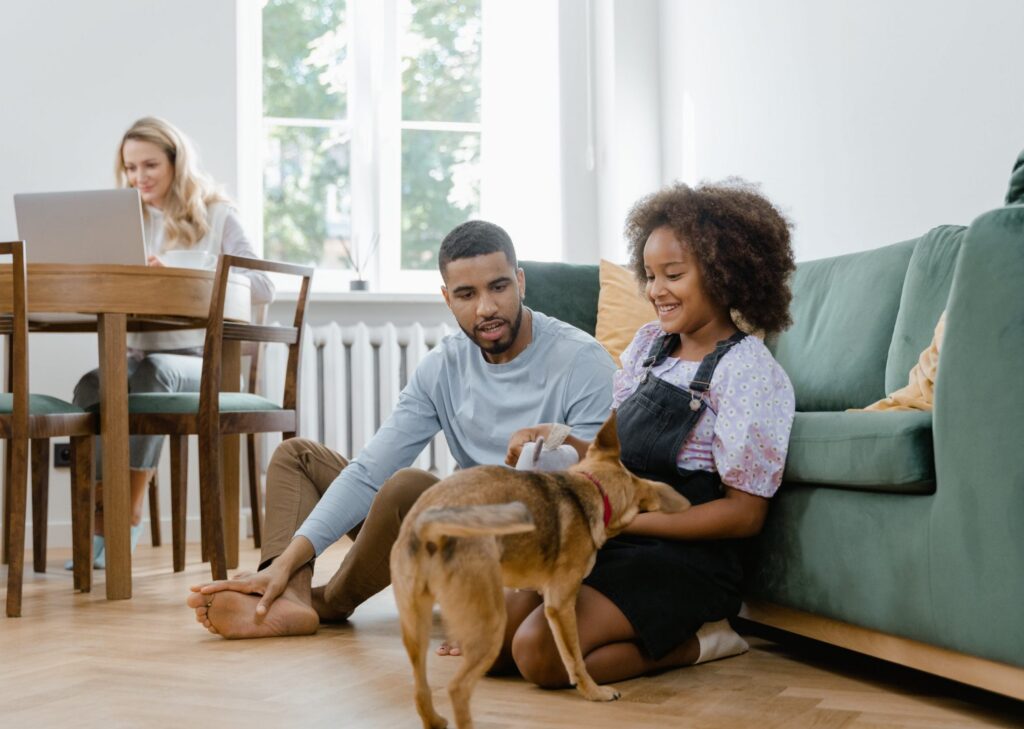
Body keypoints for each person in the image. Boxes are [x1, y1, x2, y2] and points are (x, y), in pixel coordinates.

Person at [187, 220, 617, 638]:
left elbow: (592, 493)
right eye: (467, 294)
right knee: (297, 457)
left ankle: (329, 602)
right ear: (447, 299)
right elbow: (368, 471)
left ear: (520, 282)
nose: (486, 308)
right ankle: (284, 590)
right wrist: (284, 563)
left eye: (498, 287)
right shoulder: (440, 367)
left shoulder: (582, 360)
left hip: (522, 540)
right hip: (452, 530)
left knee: (408, 486)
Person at [497, 179, 797, 687]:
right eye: (651, 274)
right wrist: (558, 443)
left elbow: (745, 514)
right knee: (496, 644)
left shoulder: (748, 372)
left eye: (673, 274)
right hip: (615, 535)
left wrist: (627, 523)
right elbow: (611, 459)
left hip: (685, 558)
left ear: (726, 275)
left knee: (541, 655)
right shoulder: (649, 347)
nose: (656, 289)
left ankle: (703, 641)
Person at [70, 117, 274, 569]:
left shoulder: (217, 214)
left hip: (200, 361)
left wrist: (186, 275)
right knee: (91, 386)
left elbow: (263, 284)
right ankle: (104, 510)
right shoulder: (124, 220)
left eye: (149, 165)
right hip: (137, 352)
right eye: (129, 168)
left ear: (176, 163)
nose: (138, 178)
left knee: (151, 375)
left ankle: (126, 512)